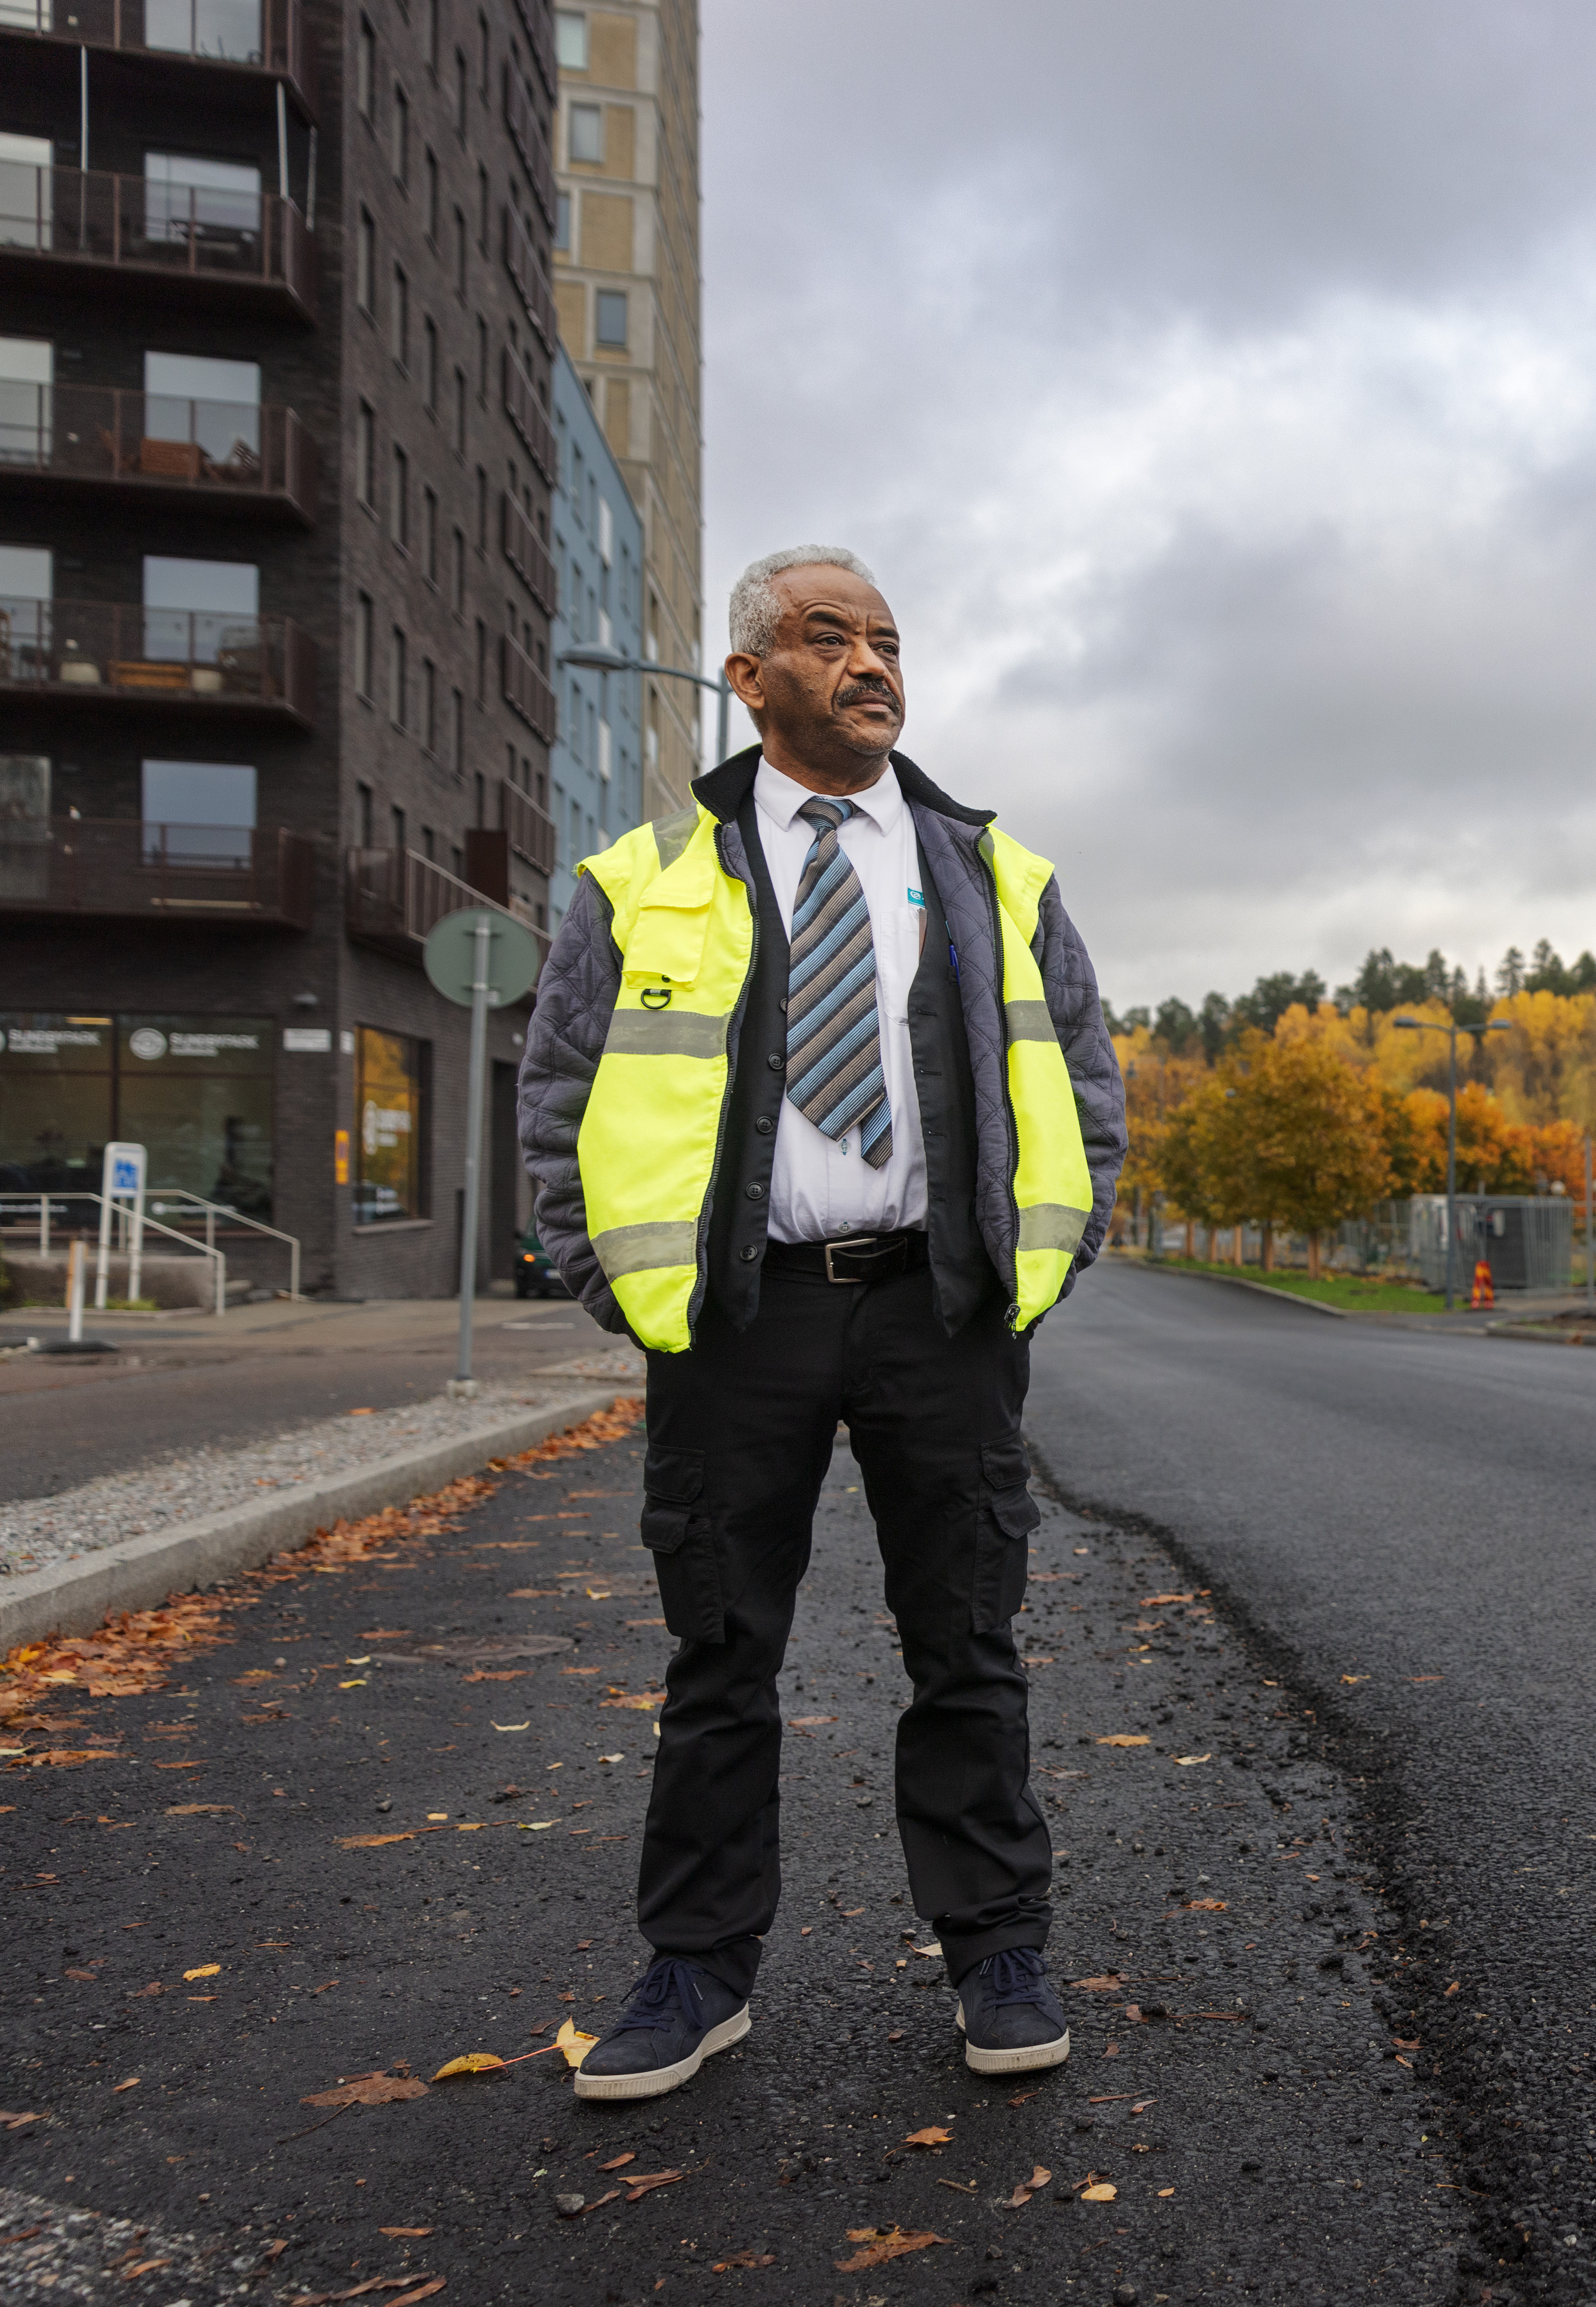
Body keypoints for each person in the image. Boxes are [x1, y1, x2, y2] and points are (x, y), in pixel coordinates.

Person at [518, 544, 1125, 2103]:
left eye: (888, 640)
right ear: (750, 678)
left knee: (968, 1643)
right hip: (741, 1321)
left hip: (941, 1311)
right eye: (826, 636)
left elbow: (1086, 1088)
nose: (871, 662)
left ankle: (998, 1951)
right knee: (723, 1651)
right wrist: (619, 1285)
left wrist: (1029, 1272)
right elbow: (562, 1095)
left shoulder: (995, 870)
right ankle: (696, 1973)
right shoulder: (639, 878)